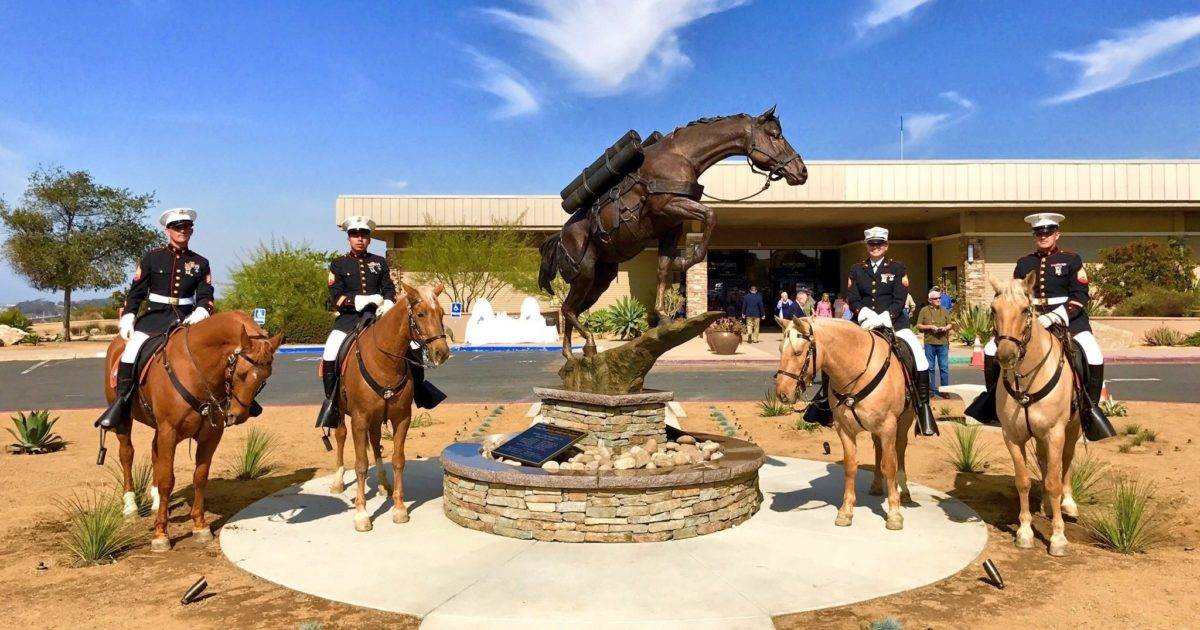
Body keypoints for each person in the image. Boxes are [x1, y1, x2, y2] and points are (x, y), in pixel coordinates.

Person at [965, 213, 1115, 440]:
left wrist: (1054, 317)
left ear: (1057, 234)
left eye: (1047, 232)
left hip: (1068, 321)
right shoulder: (1024, 263)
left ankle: (1089, 409)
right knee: (989, 349)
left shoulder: (1071, 260)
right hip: (1030, 320)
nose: (1043, 236)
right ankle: (992, 402)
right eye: (1038, 233)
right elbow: (1014, 295)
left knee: (1093, 353)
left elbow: (1079, 297)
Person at [805, 226, 938, 436]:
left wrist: (887, 316)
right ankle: (825, 404)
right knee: (834, 356)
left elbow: (900, 297)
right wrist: (863, 312)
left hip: (895, 324)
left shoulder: (897, 268)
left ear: (886, 246)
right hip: (864, 324)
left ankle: (923, 409)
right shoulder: (857, 269)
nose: (875, 247)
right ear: (867, 246)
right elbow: (853, 296)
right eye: (872, 244)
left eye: (879, 244)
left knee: (920, 358)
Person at [315, 216, 443, 430]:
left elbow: (389, 288)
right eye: (355, 235)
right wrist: (359, 300)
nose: (360, 239)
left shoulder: (379, 262)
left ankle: (420, 390)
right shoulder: (338, 264)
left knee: (412, 346)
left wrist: (387, 301)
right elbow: (336, 297)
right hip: (349, 320)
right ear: (349, 238)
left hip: (379, 317)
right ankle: (332, 404)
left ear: (369, 239)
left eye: (364, 235)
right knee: (330, 352)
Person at [96, 208, 217, 430]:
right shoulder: (152, 257)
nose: (183, 231)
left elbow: (206, 294)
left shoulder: (201, 262)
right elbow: (137, 291)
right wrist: (129, 315)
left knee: (218, 352)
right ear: (168, 230)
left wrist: (203, 310)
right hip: (154, 318)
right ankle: (121, 403)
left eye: (187, 227)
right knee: (131, 350)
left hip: (188, 318)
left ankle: (230, 402)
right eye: (178, 227)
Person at [917, 289, 952, 398]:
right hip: (930, 343)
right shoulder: (924, 311)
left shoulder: (945, 310)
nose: (938, 300)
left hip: (943, 343)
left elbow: (950, 324)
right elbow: (918, 325)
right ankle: (931, 390)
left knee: (944, 368)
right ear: (930, 300)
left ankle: (945, 390)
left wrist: (945, 328)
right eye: (935, 298)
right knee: (930, 368)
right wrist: (930, 327)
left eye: (939, 298)